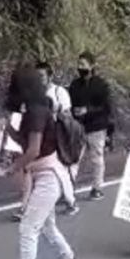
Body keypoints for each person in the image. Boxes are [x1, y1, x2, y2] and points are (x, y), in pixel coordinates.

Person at [0, 68, 81, 259]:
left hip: (49, 175)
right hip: (43, 174)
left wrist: (9, 170)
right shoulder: (35, 109)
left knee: (28, 227)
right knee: (46, 226)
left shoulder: (36, 111)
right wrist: (8, 128)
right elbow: (26, 142)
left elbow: (32, 150)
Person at [36, 61, 79, 216]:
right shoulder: (33, 93)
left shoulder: (58, 92)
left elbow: (67, 115)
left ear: (49, 77)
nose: (38, 79)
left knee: (60, 169)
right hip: (39, 136)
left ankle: (70, 201)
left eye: (41, 76)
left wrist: (53, 113)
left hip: (58, 135)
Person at [68, 52, 112, 201]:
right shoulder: (74, 85)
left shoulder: (101, 85)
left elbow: (106, 108)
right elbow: (70, 103)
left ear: (92, 66)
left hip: (97, 127)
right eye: (79, 64)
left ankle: (97, 187)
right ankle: (68, 189)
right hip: (78, 126)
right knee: (74, 158)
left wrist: (88, 110)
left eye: (83, 65)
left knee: (96, 158)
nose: (80, 68)